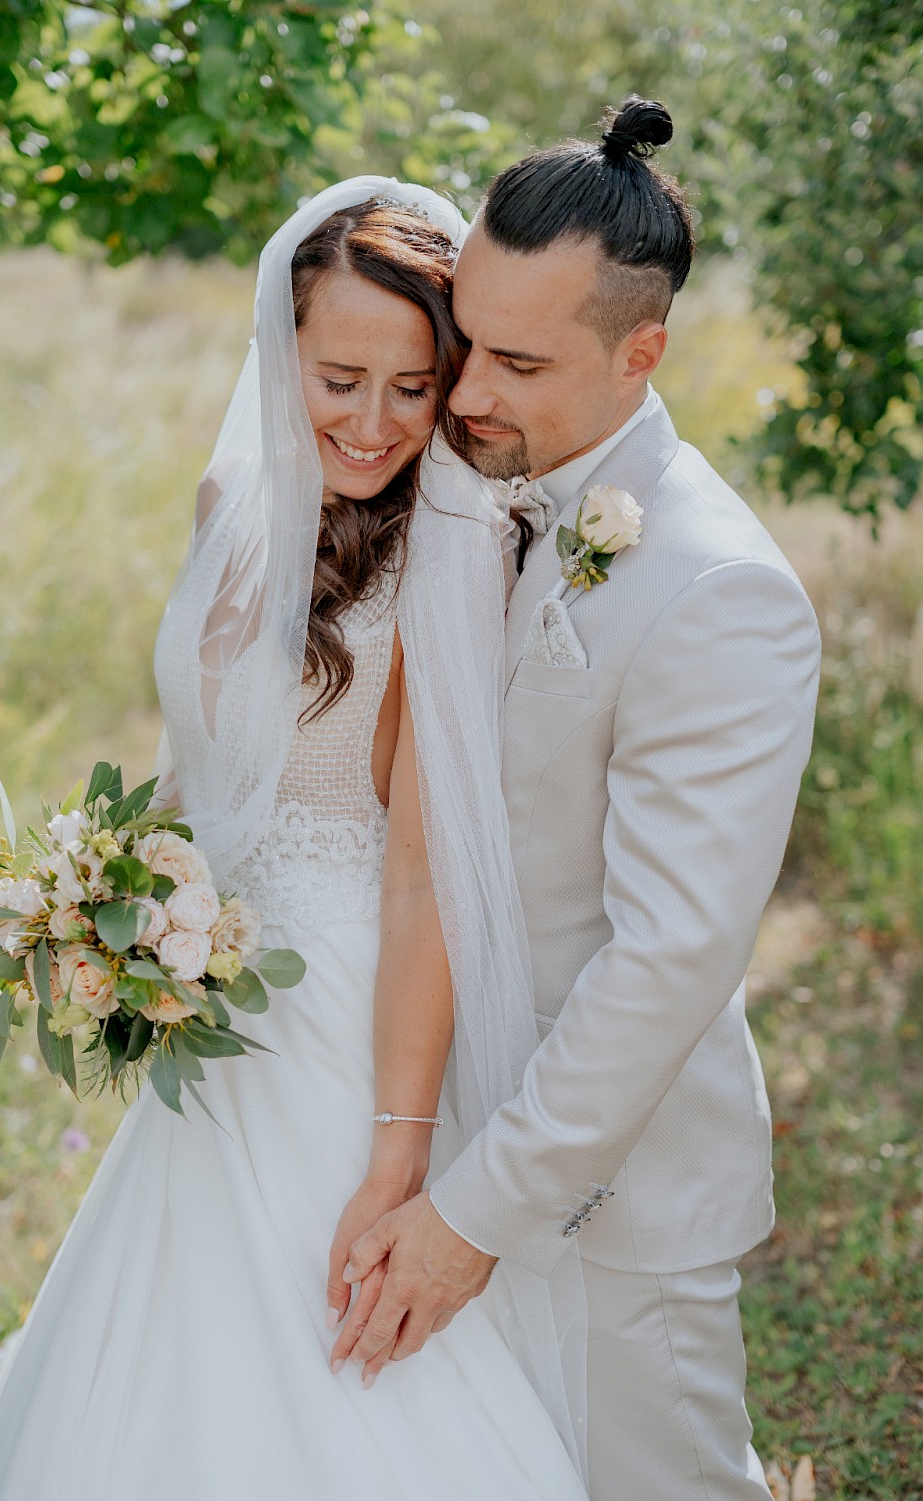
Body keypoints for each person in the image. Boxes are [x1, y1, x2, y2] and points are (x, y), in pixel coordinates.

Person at [0, 179, 589, 1501]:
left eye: (414, 386)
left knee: (335, 1351)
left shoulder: (455, 550)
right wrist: (112, 900)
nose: (372, 422)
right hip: (218, 996)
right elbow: (202, 756)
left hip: (351, 1011)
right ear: (279, 350)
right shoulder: (225, 499)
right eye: (339, 377)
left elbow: (424, 868)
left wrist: (401, 1151)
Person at [331, 102, 822, 1501]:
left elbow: (668, 958)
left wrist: (469, 1217)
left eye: (521, 360)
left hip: (608, 1202)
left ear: (643, 353)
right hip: (443, 1133)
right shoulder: (487, 483)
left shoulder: (720, 591)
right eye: (467, 336)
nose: (467, 387)